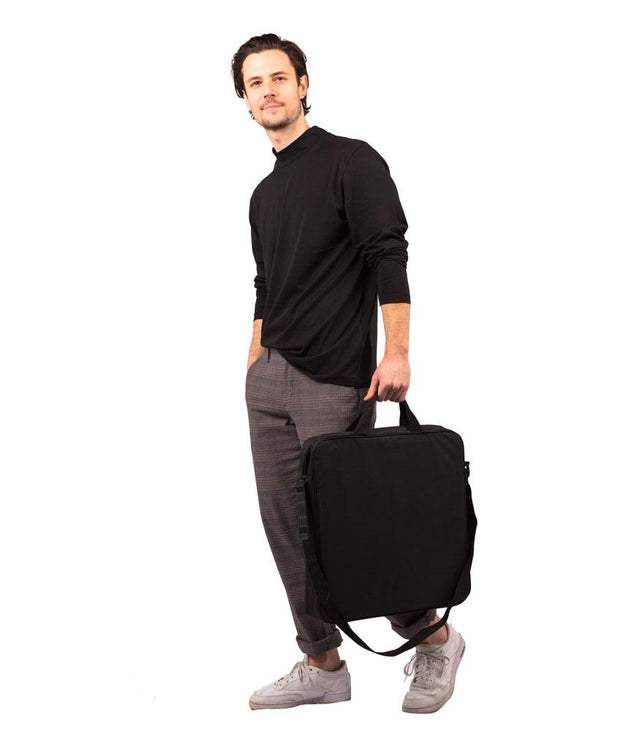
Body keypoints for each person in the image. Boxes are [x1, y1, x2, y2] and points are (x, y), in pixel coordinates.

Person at [231, 33, 466, 714]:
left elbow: (387, 255)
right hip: (269, 379)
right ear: (244, 100)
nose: (268, 91)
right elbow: (265, 282)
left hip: (333, 378)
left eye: (279, 77)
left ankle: (434, 636)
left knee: (351, 529)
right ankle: (322, 663)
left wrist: (397, 352)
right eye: (255, 83)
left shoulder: (350, 161)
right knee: (285, 528)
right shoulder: (263, 195)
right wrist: (255, 354)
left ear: (303, 85)